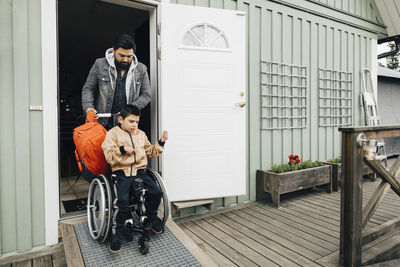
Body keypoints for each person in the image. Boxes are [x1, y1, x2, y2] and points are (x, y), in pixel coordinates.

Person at [102, 104, 168, 253]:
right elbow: (109, 156)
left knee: (156, 192)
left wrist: (161, 142)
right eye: (131, 121)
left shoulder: (140, 134)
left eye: (137, 122)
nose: (135, 125)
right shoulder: (112, 134)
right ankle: (116, 233)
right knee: (122, 202)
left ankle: (151, 217)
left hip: (140, 172)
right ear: (121, 119)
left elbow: (150, 152)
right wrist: (122, 150)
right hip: (122, 172)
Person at [82, 34, 151, 129]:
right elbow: (88, 88)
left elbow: (147, 95)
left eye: (129, 56)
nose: (126, 59)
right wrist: (89, 108)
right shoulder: (99, 64)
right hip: (102, 123)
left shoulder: (141, 69)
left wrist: (129, 110)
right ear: (113, 50)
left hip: (127, 124)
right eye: (122, 55)